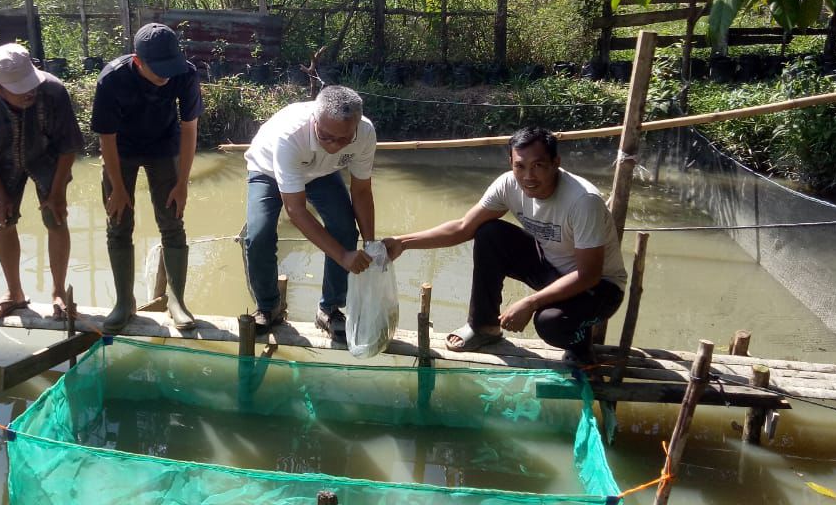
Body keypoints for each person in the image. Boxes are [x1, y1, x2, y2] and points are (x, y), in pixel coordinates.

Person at [384, 126, 626, 364]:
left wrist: (530, 302)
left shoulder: (583, 201)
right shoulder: (508, 185)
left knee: (550, 323)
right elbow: (462, 227)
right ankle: (484, 328)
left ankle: (580, 346)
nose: (528, 177)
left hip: (600, 287)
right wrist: (403, 243)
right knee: (489, 233)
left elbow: (588, 275)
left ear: (555, 163)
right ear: (511, 162)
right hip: (552, 266)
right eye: (520, 166)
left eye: (538, 165)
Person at [90, 23, 202, 333]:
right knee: (118, 222)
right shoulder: (112, 79)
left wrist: (183, 182)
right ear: (138, 62)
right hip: (121, 151)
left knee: (172, 221)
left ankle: (176, 301)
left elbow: (190, 128)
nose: (167, 75)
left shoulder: (185, 73)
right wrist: (118, 186)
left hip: (164, 147)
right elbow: (107, 137)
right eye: (159, 69)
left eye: (171, 66)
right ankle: (125, 303)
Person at [243, 85, 378, 339]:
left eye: (343, 139)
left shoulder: (365, 133)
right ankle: (269, 306)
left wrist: (370, 244)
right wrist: (344, 256)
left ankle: (329, 309)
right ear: (314, 120)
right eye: (326, 136)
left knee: (346, 229)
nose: (335, 145)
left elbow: (361, 191)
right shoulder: (291, 135)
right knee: (258, 235)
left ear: (356, 127)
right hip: (267, 170)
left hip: (322, 173)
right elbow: (296, 210)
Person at [0, 43, 84, 320]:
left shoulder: (53, 90)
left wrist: (57, 194)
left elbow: (68, 147)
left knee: (56, 218)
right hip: (1, 160)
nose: (29, 92)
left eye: (30, 84)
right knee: (3, 220)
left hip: (47, 157)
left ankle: (58, 293)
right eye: (19, 89)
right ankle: (14, 292)